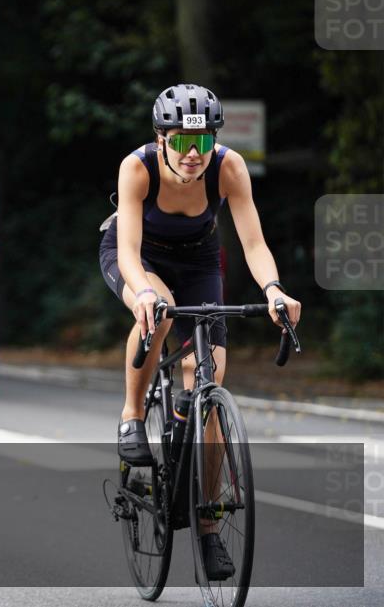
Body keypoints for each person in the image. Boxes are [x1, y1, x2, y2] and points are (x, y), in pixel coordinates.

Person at [99, 83, 302, 580]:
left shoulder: (228, 168)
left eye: (204, 142)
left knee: (210, 379)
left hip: (199, 261)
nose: (193, 154)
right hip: (138, 256)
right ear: (161, 139)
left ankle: (208, 527)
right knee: (159, 312)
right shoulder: (137, 168)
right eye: (182, 142)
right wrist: (143, 292)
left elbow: (253, 243)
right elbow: (128, 252)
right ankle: (131, 414)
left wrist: (274, 289)